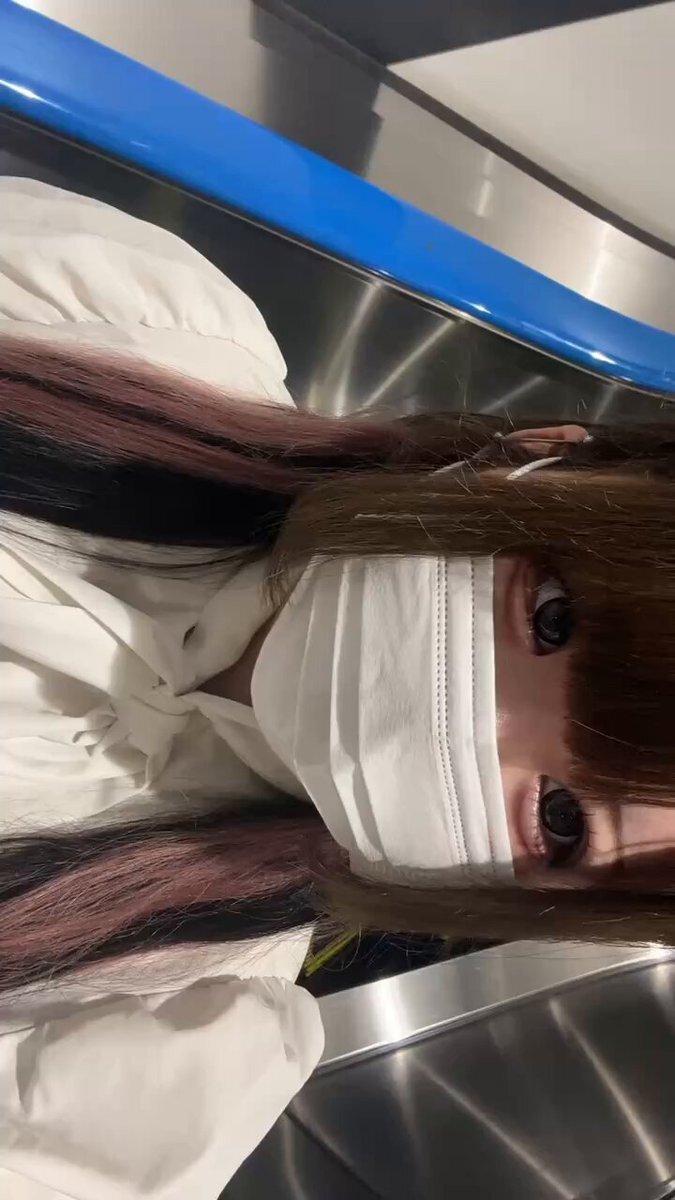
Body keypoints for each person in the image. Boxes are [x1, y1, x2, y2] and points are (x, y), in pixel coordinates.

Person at [2, 177, 675, 1199]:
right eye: (551, 621)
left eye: (563, 820)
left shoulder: (159, 1045)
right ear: (540, 457)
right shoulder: (134, 319)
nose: (474, 728)